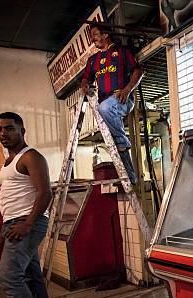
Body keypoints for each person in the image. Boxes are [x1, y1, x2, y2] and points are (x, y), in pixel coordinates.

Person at [0, 112, 54, 298]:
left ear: (22, 130)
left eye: (9, 128)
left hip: (27, 223)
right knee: (31, 277)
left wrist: (27, 224)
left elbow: (46, 193)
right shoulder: (9, 161)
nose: (3, 134)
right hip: (15, 223)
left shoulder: (30, 156)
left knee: (9, 277)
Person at [81, 24, 144, 184]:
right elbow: (86, 77)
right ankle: (130, 178)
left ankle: (122, 142)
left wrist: (127, 90)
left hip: (122, 99)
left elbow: (138, 71)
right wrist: (85, 85)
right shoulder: (93, 60)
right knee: (116, 142)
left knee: (105, 108)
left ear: (105, 34)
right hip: (106, 105)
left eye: (95, 34)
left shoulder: (122, 52)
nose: (92, 39)